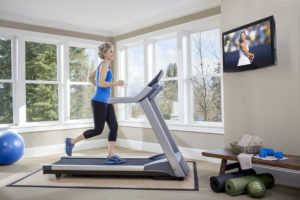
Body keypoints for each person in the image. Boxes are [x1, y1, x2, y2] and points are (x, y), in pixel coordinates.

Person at [65, 42, 126, 164]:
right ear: (104, 53)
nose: (113, 53)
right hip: (99, 102)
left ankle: (111, 155)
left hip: (105, 101)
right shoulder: (104, 66)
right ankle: (72, 141)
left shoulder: (103, 65)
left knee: (114, 126)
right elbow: (101, 83)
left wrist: (105, 93)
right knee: (98, 130)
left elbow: (91, 78)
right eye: (110, 51)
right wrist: (116, 83)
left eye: (112, 51)